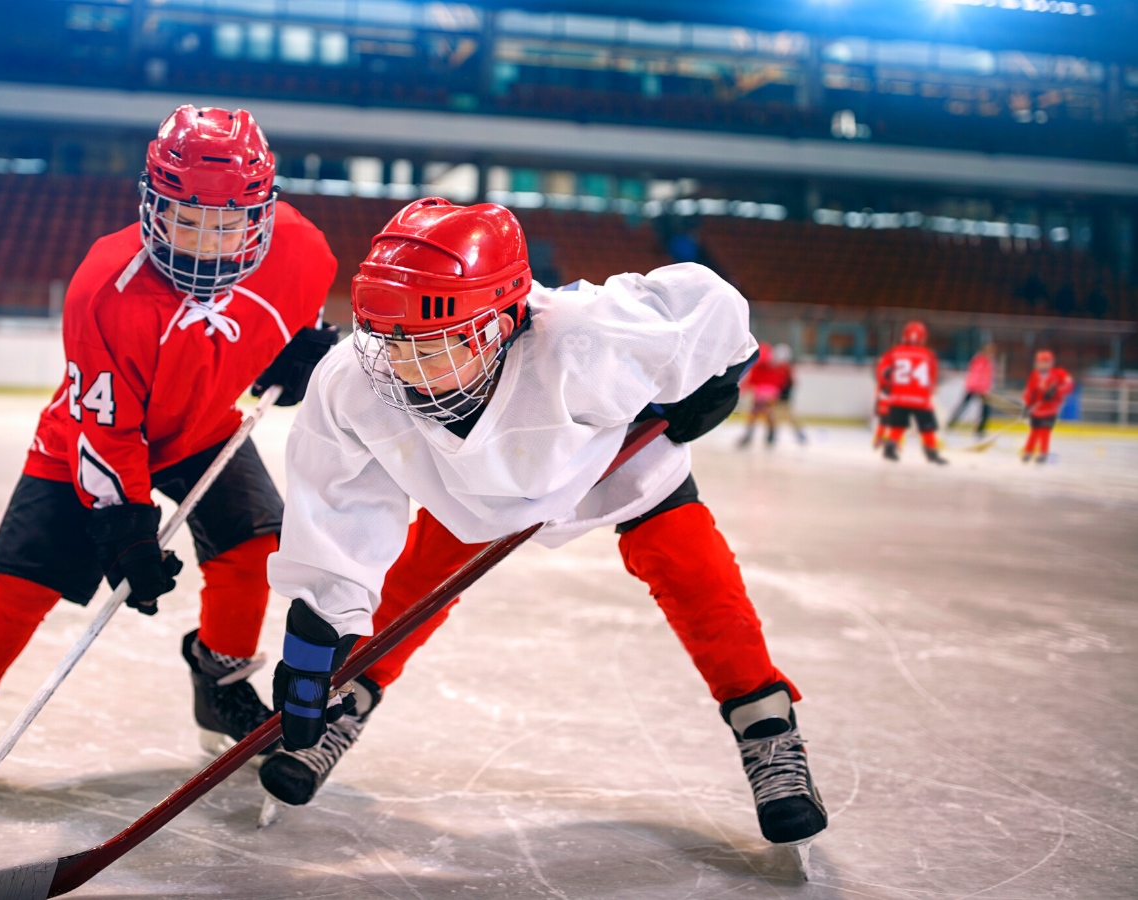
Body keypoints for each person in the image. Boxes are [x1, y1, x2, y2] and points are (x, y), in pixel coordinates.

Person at [260, 199, 828, 858]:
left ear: (497, 327)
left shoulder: (589, 337)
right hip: (475, 492)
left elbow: (710, 304)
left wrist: (721, 371)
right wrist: (320, 634)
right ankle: (349, 701)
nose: (401, 367)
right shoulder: (354, 381)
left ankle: (766, 726)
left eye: (429, 345)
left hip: (610, 464)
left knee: (693, 572)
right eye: (390, 339)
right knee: (414, 581)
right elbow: (338, 506)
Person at [0, 105, 339, 785]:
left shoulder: (305, 254)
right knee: (23, 577)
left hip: (203, 427)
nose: (204, 244)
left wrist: (292, 355)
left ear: (260, 215)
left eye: (225, 225)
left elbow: (287, 326)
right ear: (153, 206)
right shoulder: (107, 286)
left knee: (255, 544)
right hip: (90, 436)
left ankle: (219, 681)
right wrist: (125, 525)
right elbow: (106, 428)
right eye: (186, 220)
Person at [875, 321, 948, 464]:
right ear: (923, 337)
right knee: (927, 428)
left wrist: (888, 386)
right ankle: (931, 453)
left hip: (898, 397)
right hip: (920, 399)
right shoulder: (928, 355)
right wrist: (929, 393)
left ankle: (889, 448)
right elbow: (931, 378)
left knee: (898, 425)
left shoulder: (894, 352)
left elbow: (882, 373)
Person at [1021, 350, 1074, 464]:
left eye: (1046, 362)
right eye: (1041, 362)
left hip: (1051, 409)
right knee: (1034, 430)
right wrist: (1027, 405)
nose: (1043, 364)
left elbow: (1069, 385)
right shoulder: (1034, 375)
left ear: (1051, 363)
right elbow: (1029, 391)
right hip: (1037, 409)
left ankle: (1043, 453)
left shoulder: (1059, 373)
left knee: (1045, 430)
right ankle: (1028, 452)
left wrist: (1056, 391)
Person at [736, 342, 787, 448]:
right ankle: (768, 435)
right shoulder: (766, 369)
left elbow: (750, 383)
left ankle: (755, 435)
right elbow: (750, 383)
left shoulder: (773, 369)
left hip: (766, 396)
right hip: (763, 396)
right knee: (763, 414)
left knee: (761, 414)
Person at [947, 342, 996, 436]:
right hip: (974, 388)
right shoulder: (979, 359)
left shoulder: (989, 361)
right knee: (964, 406)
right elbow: (976, 375)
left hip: (983, 389)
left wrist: (987, 389)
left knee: (985, 410)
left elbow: (989, 377)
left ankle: (980, 429)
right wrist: (978, 388)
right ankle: (951, 423)